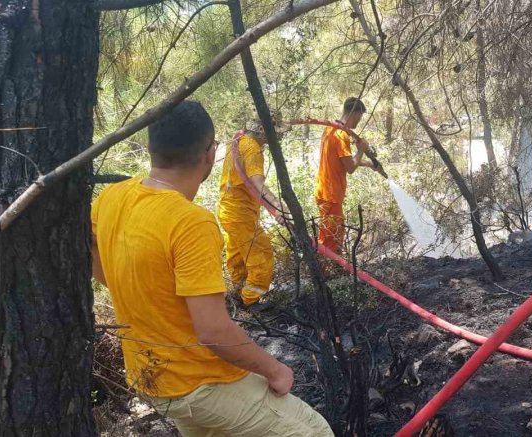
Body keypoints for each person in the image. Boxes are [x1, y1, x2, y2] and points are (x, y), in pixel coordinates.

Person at [91, 101, 332, 436]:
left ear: (150, 148)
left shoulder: (111, 197)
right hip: (198, 384)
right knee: (314, 431)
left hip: (150, 379)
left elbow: (105, 273)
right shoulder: (191, 223)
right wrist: (275, 369)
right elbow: (212, 330)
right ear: (210, 154)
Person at [217, 120, 285, 307]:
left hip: (228, 211)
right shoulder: (253, 149)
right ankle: (251, 301)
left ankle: (237, 292)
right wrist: (279, 207)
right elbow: (257, 183)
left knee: (238, 255)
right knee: (261, 255)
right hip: (240, 215)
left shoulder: (239, 140)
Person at [315, 97, 379, 254]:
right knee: (332, 238)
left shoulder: (330, 129)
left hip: (325, 192)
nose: (358, 122)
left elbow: (342, 161)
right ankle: (327, 273)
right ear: (354, 113)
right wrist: (361, 150)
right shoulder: (340, 135)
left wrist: (369, 164)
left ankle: (328, 270)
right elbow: (350, 167)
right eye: (360, 117)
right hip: (331, 194)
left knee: (329, 234)